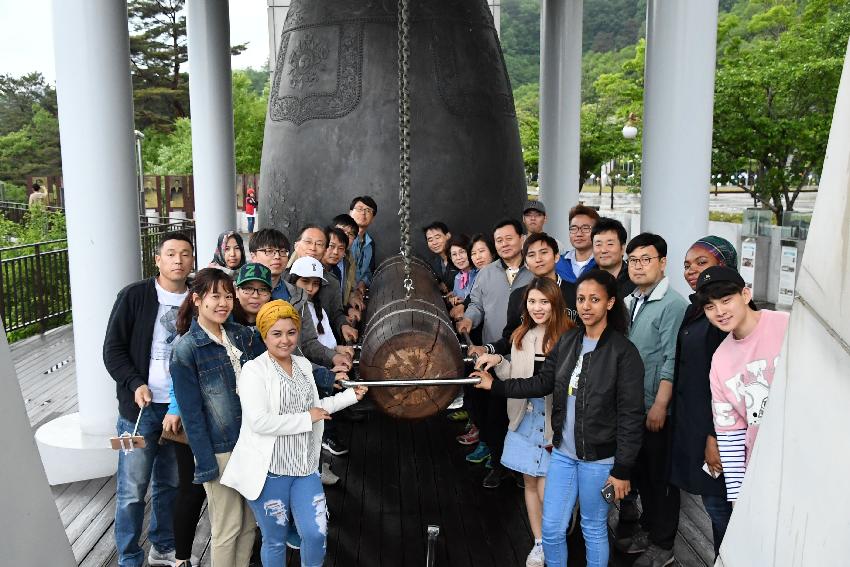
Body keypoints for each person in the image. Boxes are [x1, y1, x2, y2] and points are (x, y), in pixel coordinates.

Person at [473, 269, 645, 567]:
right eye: (581, 299)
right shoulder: (569, 341)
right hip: (563, 453)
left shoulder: (623, 352)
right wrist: (496, 384)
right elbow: (541, 384)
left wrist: (622, 470)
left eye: (595, 299)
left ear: (610, 303)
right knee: (551, 531)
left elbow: (631, 416)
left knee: (593, 528)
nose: (586, 306)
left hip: (599, 459)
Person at [220, 300, 368, 567]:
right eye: (276, 334)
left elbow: (314, 408)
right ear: (264, 334)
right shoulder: (254, 371)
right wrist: (306, 418)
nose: (285, 340)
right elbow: (260, 422)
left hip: (304, 468)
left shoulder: (302, 364)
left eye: (291, 332)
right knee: (274, 539)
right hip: (270, 471)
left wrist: (349, 397)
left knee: (315, 533)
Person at [103, 231, 194, 567]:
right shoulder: (134, 296)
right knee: (131, 490)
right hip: (138, 412)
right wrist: (134, 382)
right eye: (171, 253)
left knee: (169, 484)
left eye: (185, 254)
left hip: (177, 411)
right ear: (157, 259)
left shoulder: (197, 299)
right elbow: (112, 350)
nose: (178, 260)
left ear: (192, 260)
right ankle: (129, 557)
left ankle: (163, 546)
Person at [474, 278, 575, 567]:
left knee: (549, 490)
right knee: (530, 484)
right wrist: (498, 363)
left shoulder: (569, 336)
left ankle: (555, 540)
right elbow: (517, 376)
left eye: (544, 301)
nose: (538, 307)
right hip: (523, 418)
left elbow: (544, 385)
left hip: (555, 422)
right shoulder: (521, 334)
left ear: (556, 303)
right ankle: (540, 542)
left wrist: (495, 385)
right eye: (532, 302)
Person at [169, 268, 262, 567]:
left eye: (227, 295)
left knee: (249, 523)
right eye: (215, 296)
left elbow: (281, 361)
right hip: (220, 450)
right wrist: (205, 462)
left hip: (251, 443)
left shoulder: (242, 336)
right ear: (197, 300)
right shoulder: (186, 350)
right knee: (227, 527)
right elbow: (192, 416)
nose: (223, 302)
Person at [620, 232, 688, 567]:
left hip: (654, 406)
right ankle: (649, 529)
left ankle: (664, 546)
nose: (638, 266)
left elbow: (670, 358)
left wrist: (661, 404)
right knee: (643, 474)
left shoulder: (673, 304)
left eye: (646, 259)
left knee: (661, 479)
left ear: (662, 263)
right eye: (633, 260)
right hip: (633, 406)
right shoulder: (630, 300)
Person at [668, 237, 739, 557]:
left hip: (719, 431)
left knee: (721, 507)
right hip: (695, 423)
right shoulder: (697, 308)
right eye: (686, 264)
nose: (692, 270)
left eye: (702, 263)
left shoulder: (728, 315)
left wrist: (715, 437)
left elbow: (732, 382)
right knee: (715, 506)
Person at [695, 266, 790, 504]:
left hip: (809, 452)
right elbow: (730, 434)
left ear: (745, 295)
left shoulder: (786, 325)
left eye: (726, 300)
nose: (720, 311)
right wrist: (738, 497)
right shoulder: (720, 360)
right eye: (710, 306)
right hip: (763, 467)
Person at [456, 219, 533, 488]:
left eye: (508, 238)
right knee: (493, 416)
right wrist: (469, 319)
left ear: (522, 239)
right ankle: (499, 465)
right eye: (498, 240)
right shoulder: (487, 272)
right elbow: (476, 303)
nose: (503, 244)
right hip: (493, 356)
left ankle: (524, 469)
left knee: (524, 415)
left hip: (527, 359)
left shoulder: (535, 272)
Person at [471, 232, 578, 361]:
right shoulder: (518, 296)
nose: (538, 259)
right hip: (528, 373)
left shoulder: (577, 292)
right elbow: (511, 339)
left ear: (556, 257)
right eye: (531, 255)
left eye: (544, 252)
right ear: (526, 263)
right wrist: (487, 349)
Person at [287, 224, 358, 344]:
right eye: (308, 242)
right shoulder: (283, 278)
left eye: (319, 244)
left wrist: (343, 325)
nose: (313, 248)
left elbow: (336, 313)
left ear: (324, 250)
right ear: (296, 245)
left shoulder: (332, 282)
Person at [591, 217, 635, 298]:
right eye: (598, 244)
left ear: (622, 248)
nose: (603, 250)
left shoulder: (635, 279)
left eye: (610, 244)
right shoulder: (586, 279)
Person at [555, 205, 599, 283]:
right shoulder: (558, 263)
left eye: (585, 228)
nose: (579, 234)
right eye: (573, 228)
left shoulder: (601, 262)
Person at [249, 229, 292, 301]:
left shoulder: (297, 294)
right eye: (269, 251)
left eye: (282, 251)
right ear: (253, 256)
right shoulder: (237, 290)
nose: (277, 256)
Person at [349, 195, 378, 293]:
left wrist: (363, 282)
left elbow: (369, 271)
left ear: (373, 218)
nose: (363, 213)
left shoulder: (370, 243)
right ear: (350, 212)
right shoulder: (342, 237)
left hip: (358, 295)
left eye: (368, 210)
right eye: (359, 209)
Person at [423, 221, 457, 290]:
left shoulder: (460, 257)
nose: (434, 242)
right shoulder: (432, 263)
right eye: (430, 240)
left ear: (448, 236)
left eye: (437, 237)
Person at [447, 234, 475, 304]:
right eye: (454, 254)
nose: (458, 258)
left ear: (470, 251)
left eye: (462, 252)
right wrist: (452, 299)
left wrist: (465, 303)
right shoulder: (458, 277)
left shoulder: (480, 274)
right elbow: (455, 296)